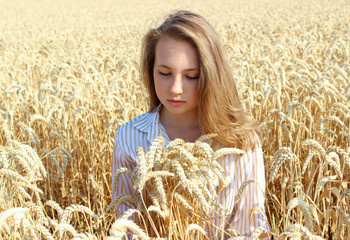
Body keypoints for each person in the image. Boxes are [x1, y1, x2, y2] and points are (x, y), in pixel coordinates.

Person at [112, 10, 270, 239]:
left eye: (192, 76)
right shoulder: (129, 138)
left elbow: (252, 230)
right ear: (151, 70)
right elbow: (125, 227)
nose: (176, 88)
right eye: (165, 73)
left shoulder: (241, 142)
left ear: (211, 76)